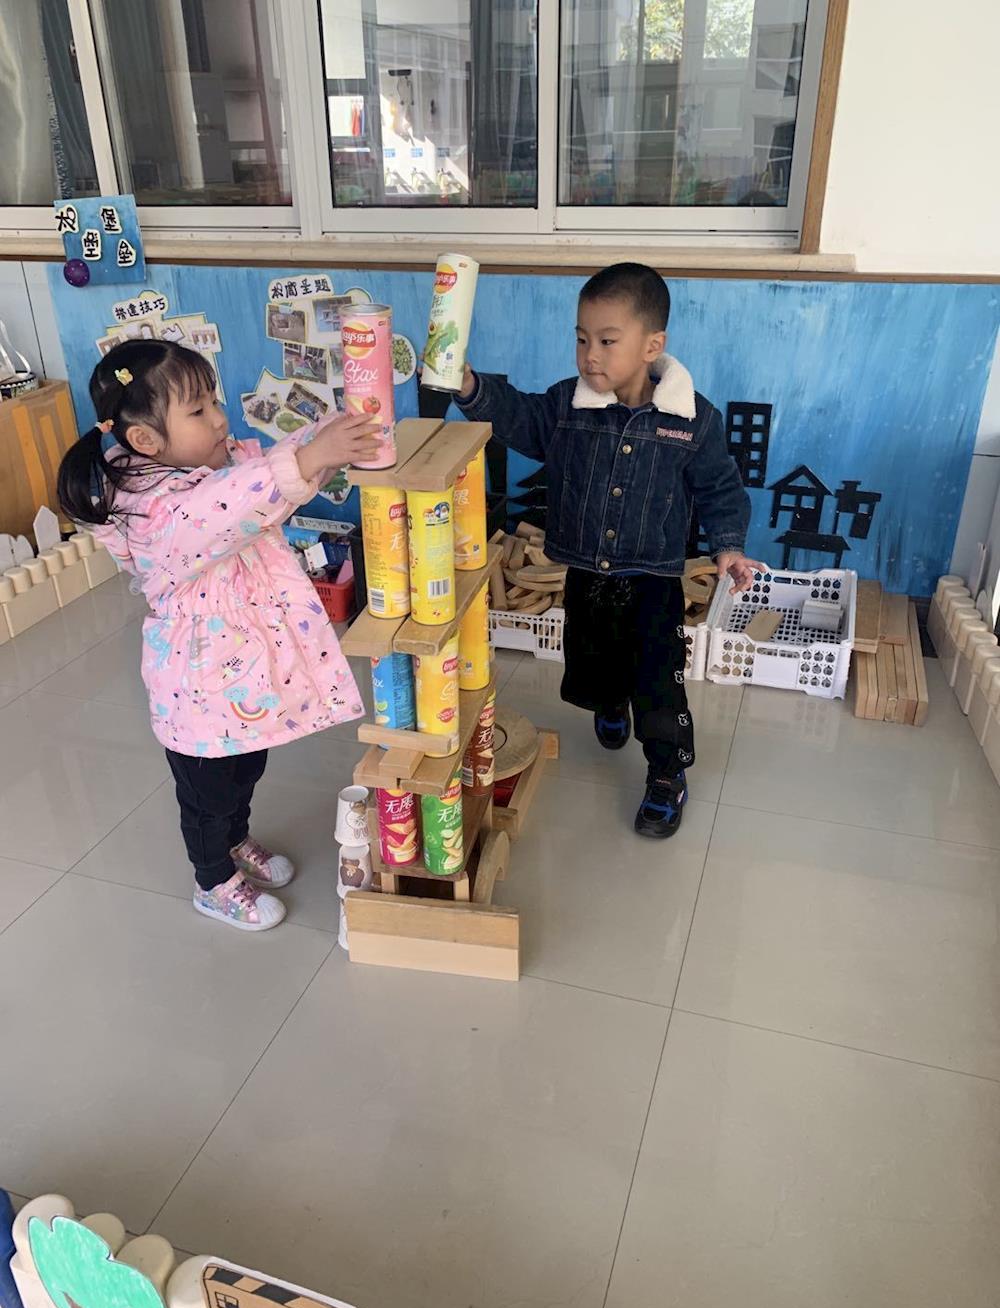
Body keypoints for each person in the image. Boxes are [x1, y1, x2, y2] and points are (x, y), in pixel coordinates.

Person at [57, 339, 381, 928]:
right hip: (197, 689)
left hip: (238, 679)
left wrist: (324, 439)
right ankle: (212, 880)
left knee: (243, 770)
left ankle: (235, 842)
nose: (220, 419)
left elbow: (260, 487)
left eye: (215, 400)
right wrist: (312, 457)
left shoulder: (202, 467)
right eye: (199, 410)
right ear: (146, 440)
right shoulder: (153, 509)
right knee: (208, 796)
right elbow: (229, 506)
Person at [455, 262, 761, 838]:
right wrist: (471, 387)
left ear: (652, 346)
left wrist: (728, 547)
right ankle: (609, 703)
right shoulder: (565, 406)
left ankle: (666, 771)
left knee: (658, 679)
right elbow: (518, 417)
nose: (589, 356)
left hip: (654, 578)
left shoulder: (692, 420)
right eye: (581, 339)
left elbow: (720, 488)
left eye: (606, 341)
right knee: (592, 660)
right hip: (586, 570)